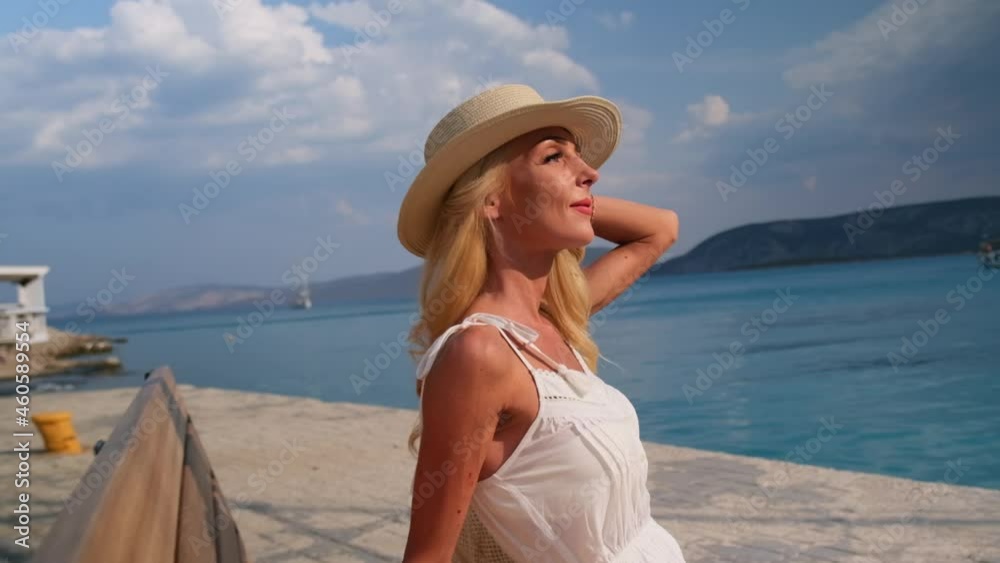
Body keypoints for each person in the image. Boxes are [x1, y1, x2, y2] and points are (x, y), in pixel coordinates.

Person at [397, 84, 685, 562]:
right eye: (554, 157)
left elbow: (662, 228)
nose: (591, 174)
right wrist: (556, 200)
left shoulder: (554, 323)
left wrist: (565, 196)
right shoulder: (479, 354)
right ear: (490, 198)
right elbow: (428, 556)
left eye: (579, 158)